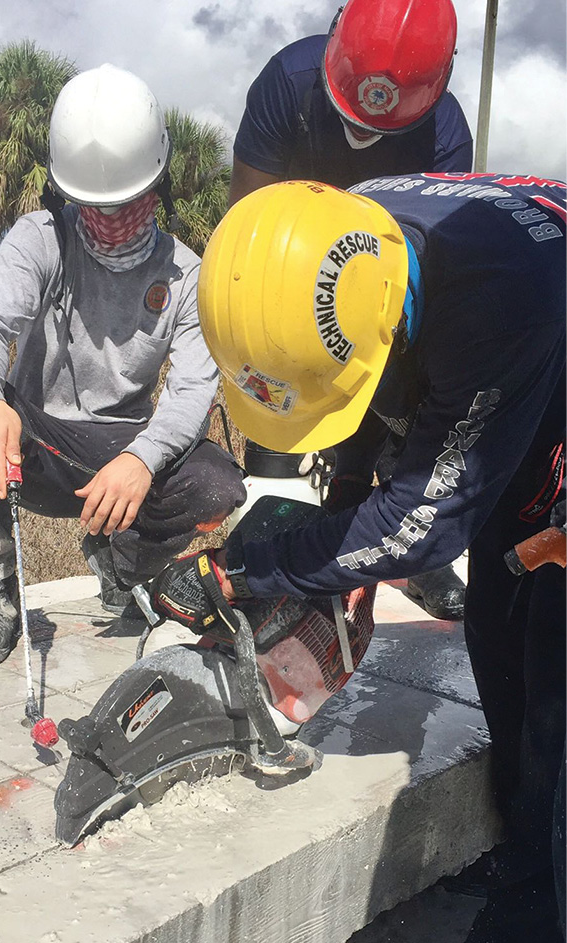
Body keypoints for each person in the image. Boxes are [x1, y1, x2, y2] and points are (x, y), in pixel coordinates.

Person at [154, 175, 566, 942]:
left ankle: (538, 906)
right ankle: (525, 852)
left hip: (546, 334)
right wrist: (345, 499)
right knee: (494, 631)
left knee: (554, 669)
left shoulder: (496, 300)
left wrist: (240, 573)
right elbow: (363, 384)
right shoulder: (330, 240)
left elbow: (418, 526)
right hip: (517, 368)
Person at [0, 64, 245, 668]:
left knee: (217, 483)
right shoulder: (38, 239)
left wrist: (140, 461)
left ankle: (122, 562)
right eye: (91, 205)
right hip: (35, 445)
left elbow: (192, 392)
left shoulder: (188, 276)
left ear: (157, 183)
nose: (109, 219)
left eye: (126, 201)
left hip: (122, 455)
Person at [229, 0, 474, 620]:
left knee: (406, 374)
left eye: (382, 132)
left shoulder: (446, 136)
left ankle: (393, 539)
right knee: (273, 450)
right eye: (347, 116)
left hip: (378, 286)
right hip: (282, 276)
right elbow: (245, 233)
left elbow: (426, 269)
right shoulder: (286, 83)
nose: (361, 137)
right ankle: (281, 509)